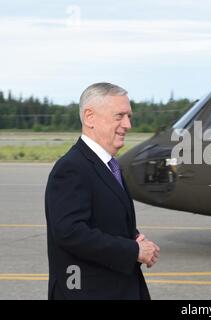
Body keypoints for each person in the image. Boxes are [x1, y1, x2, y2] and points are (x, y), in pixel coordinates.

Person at [45, 82, 160, 300]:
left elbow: (103, 218)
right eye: (119, 116)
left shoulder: (107, 165)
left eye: (129, 116)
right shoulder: (72, 168)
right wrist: (133, 251)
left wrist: (134, 238)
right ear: (90, 117)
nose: (128, 124)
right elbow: (71, 233)